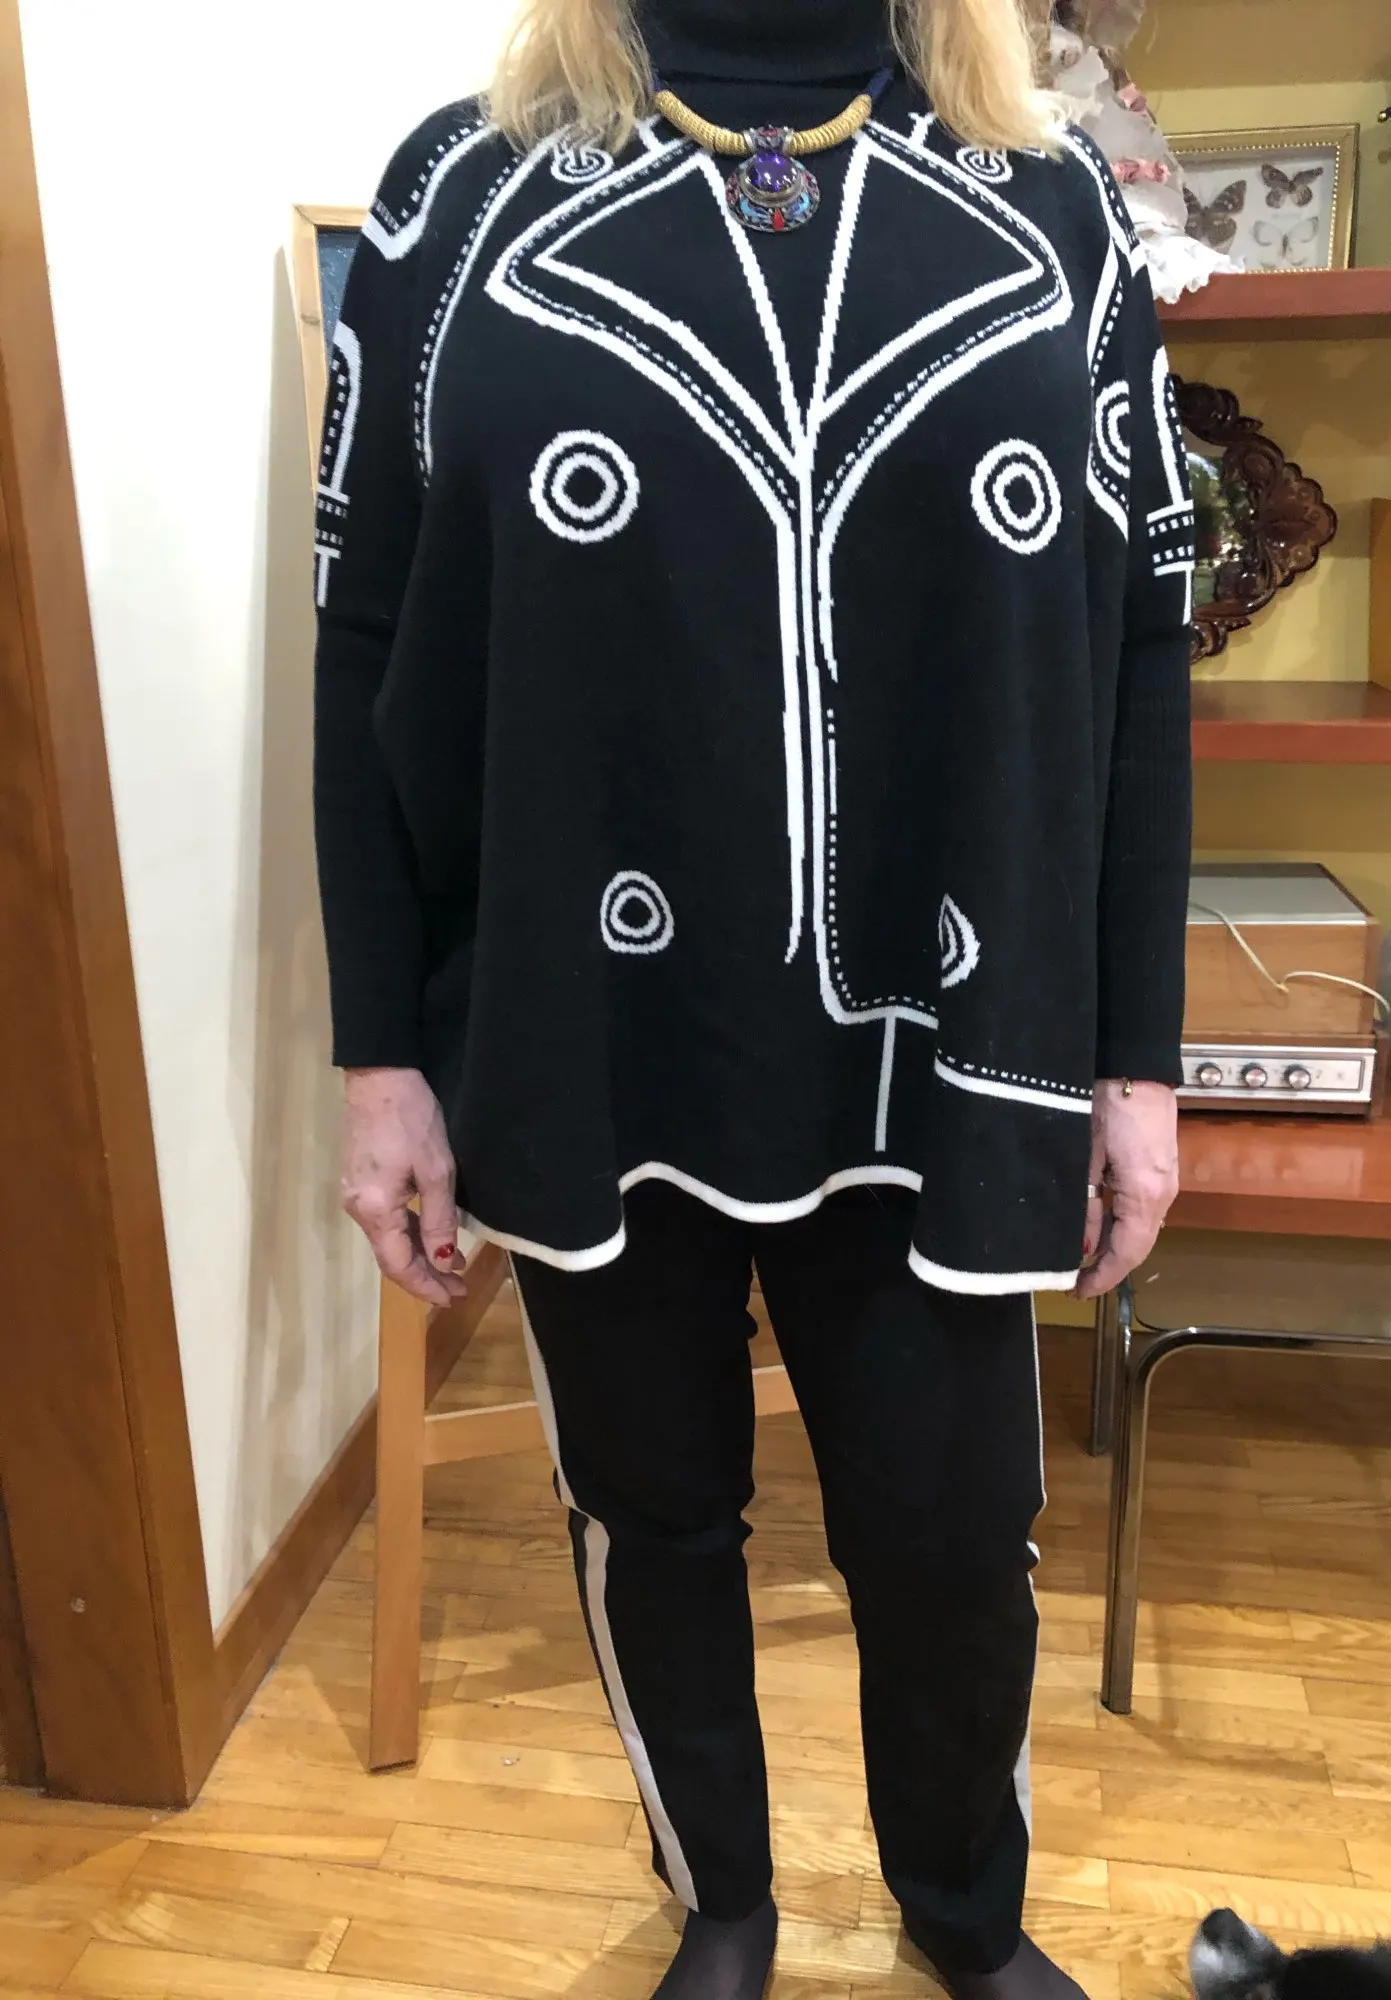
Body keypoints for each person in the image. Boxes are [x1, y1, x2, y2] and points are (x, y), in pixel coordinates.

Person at [314, 4, 1191, 1999]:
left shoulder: (1048, 200)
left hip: (950, 1032)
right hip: (583, 1021)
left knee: (955, 1533)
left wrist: (1133, 1055)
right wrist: (381, 1053)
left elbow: (1142, 640)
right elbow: (364, 639)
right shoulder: (466, 195)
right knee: (650, 1510)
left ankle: (963, 1909)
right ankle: (722, 1898)